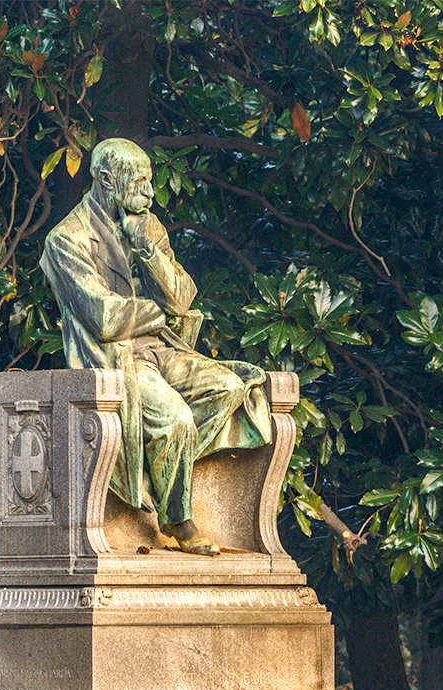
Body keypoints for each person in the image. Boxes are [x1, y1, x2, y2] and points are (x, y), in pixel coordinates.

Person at [40, 138, 271, 556]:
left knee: (231, 387)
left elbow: (182, 298)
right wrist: (157, 312)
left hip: (163, 349)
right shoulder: (67, 239)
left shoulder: (148, 227)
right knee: (178, 420)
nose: (149, 192)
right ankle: (179, 519)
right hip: (118, 358)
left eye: (151, 181)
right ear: (107, 180)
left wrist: (146, 247)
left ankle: (158, 467)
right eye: (140, 182)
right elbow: (105, 320)